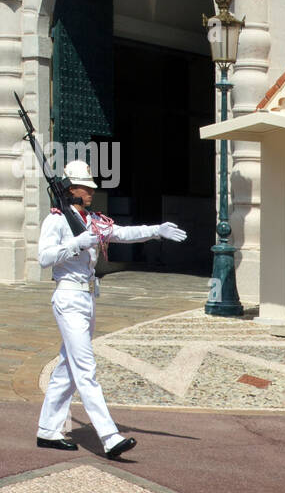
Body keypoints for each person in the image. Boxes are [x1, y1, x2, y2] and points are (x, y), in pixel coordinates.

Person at [36, 160, 187, 458]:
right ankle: (109, 435)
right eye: (87, 187)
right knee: (85, 368)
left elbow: (121, 233)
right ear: (72, 190)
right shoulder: (56, 221)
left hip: (87, 299)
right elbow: (44, 258)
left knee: (67, 368)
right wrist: (78, 243)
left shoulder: (92, 219)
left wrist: (156, 229)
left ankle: (48, 430)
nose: (92, 191)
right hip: (68, 297)